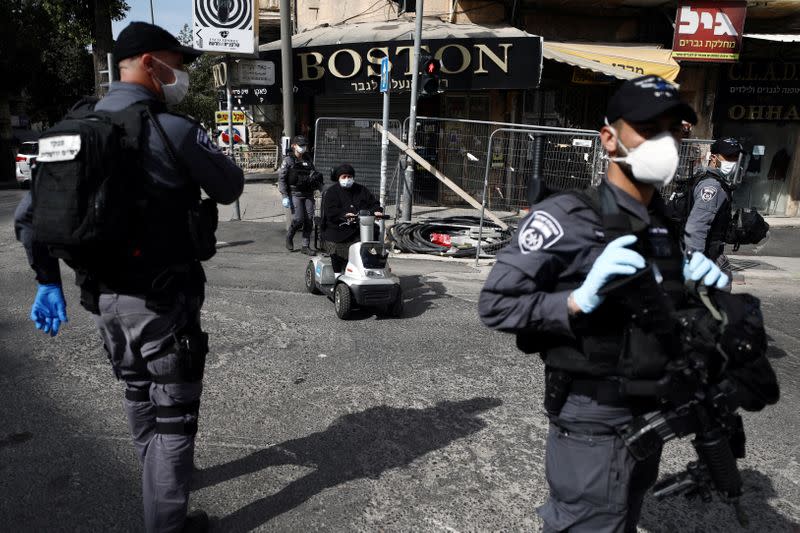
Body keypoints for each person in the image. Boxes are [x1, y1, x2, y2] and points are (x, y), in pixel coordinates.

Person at [14, 21, 244, 532]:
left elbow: (28, 220)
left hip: (104, 301)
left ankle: (157, 480)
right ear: (148, 63)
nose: (179, 74)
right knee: (175, 417)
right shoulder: (173, 129)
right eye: (176, 64)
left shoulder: (70, 133)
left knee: (138, 393)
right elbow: (229, 186)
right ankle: (167, 521)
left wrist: (47, 281)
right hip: (163, 302)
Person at [479, 75, 730, 532]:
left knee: (626, 515)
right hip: (592, 413)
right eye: (649, 130)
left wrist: (697, 292)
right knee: (589, 524)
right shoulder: (566, 217)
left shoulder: (662, 220)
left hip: (650, 408)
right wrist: (577, 300)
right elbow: (496, 305)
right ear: (609, 139)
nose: (665, 143)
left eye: (674, 131)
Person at [684, 137, 744, 292]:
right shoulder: (712, 186)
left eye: (736, 158)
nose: (734, 162)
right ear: (713, 158)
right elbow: (697, 226)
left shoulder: (711, 179)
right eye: (729, 157)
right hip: (709, 257)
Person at [320, 163, 382, 272]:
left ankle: (370, 269)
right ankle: (337, 273)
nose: (347, 179)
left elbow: (374, 204)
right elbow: (331, 211)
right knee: (335, 243)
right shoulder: (332, 192)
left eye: (349, 177)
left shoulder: (361, 190)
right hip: (338, 227)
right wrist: (344, 215)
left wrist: (376, 211)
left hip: (359, 228)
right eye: (344, 177)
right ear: (338, 178)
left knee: (374, 235)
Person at [278, 134, 323, 254]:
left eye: (304, 145)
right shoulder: (288, 160)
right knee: (298, 219)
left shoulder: (308, 159)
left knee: (309, 220)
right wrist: (284, 196)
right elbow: (282, 179)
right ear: (294, 146)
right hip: (295, 193)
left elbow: (314, 175)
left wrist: (319, 187)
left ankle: (305, 246)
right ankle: (289, 235)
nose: (303, 147)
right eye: (301, 145)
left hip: (308, 193)